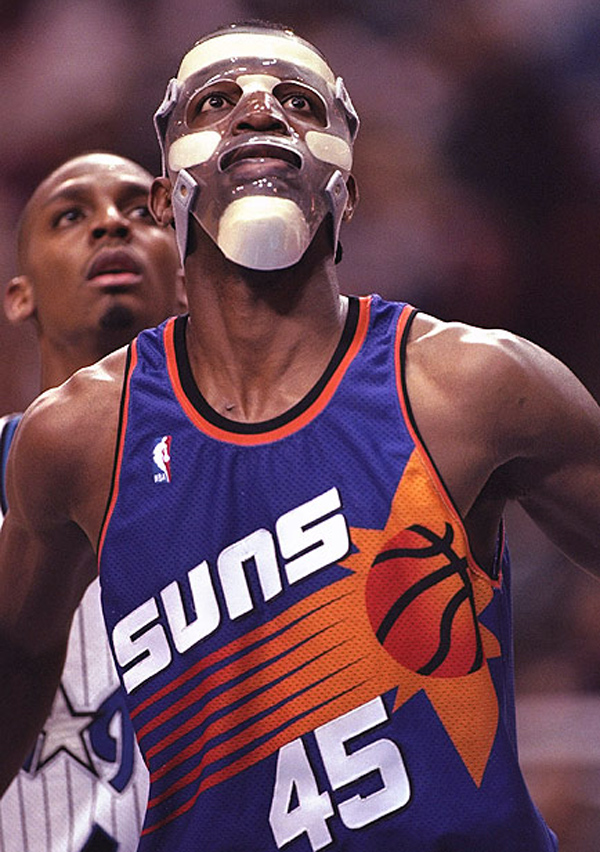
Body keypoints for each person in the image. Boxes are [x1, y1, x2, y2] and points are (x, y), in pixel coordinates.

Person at [0, 21, 598, 852]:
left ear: (347, 193)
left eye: (298, 102)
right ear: (166, 199)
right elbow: (19, 660)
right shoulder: (76, 437)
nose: (259, 112)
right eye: (217, 101)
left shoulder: (473, 384)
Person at [0, 151, 185, 852]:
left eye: (141, 211)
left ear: (186, 280)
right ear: (19, 296)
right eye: (71, 215)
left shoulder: (263, 468)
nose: (111, 225)